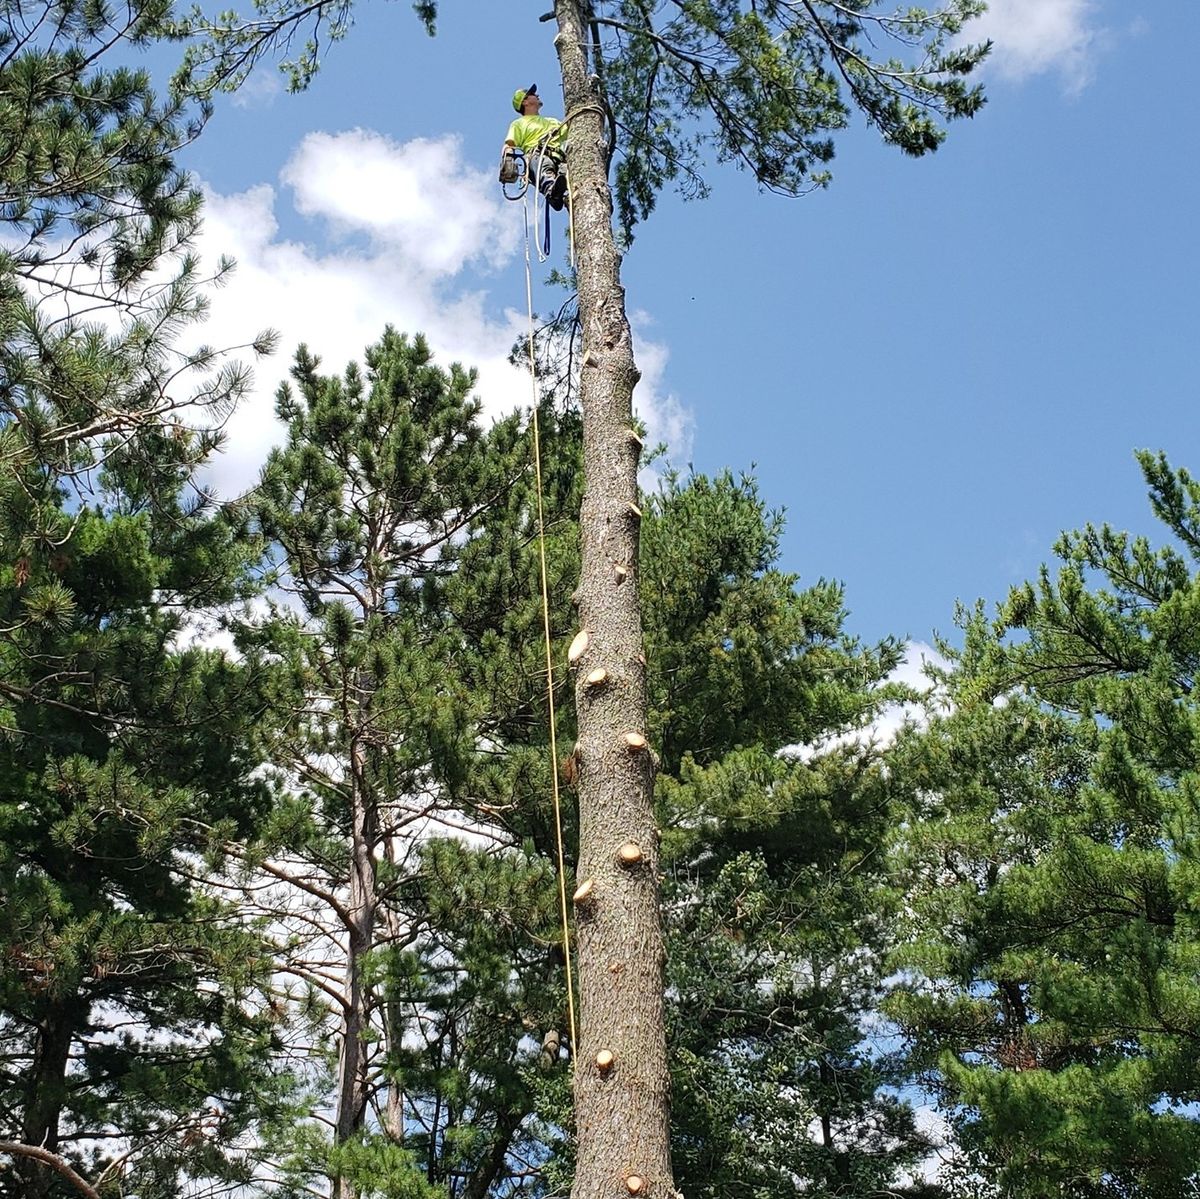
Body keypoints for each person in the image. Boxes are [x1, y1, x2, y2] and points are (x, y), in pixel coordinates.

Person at [503, 84, 569, 210]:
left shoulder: (553, 122)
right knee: (545, 170)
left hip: (559, 158)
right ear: (525, 102)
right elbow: (509, 145)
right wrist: (508, 161)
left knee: (565, 176)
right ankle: (552, 192)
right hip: (537, 155)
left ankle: (564, 193)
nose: (537, 95)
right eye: (533, 94)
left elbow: (570, 130)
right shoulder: (519, 124)